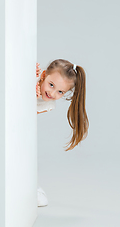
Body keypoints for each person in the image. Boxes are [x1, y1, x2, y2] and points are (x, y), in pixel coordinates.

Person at [36, 59, 89, 207]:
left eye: (60, 92)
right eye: (51, 85)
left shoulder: (48, 104)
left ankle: (33, 187)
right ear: (44, 75)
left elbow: (25, 118)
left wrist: (32, 97)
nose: (52, 93)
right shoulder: (33, 76)